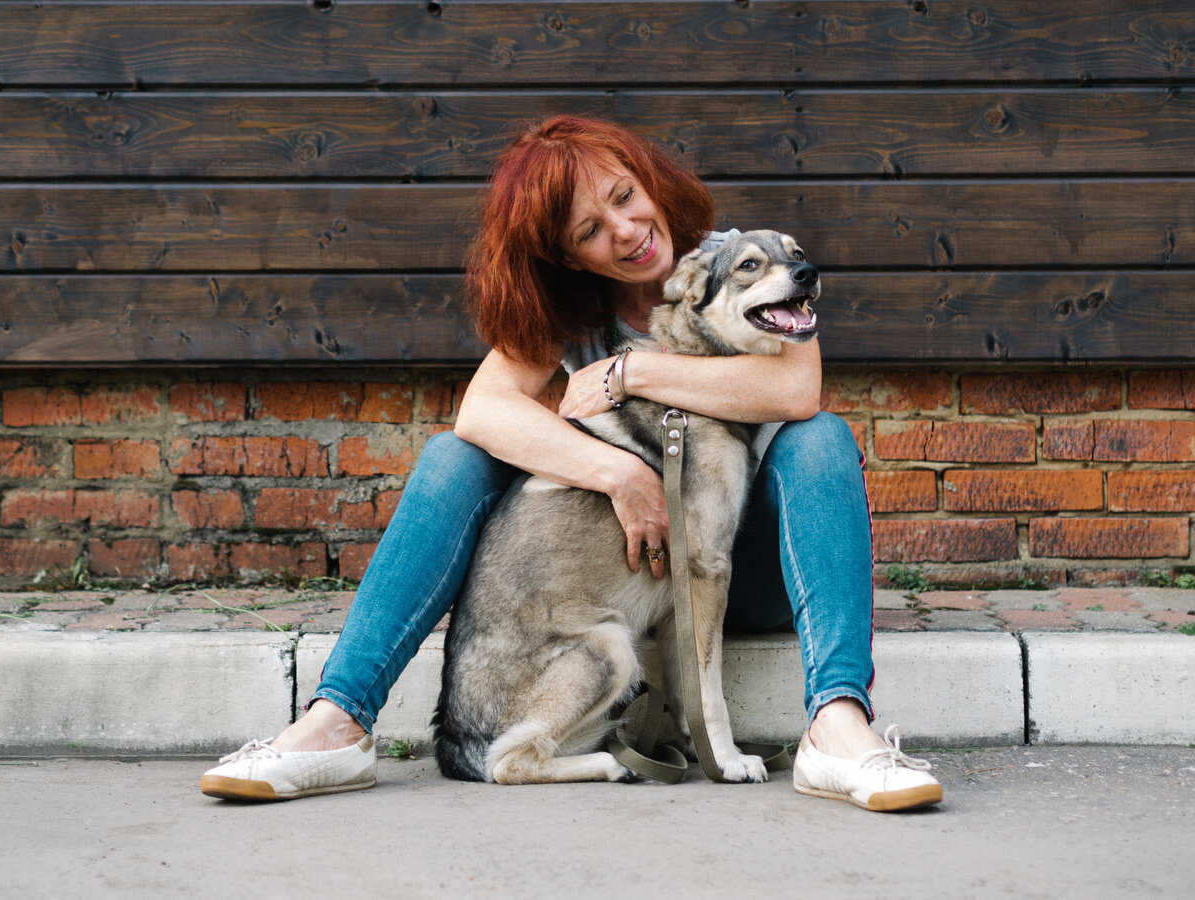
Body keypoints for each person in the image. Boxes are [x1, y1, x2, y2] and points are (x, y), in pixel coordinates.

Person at [201, 115, 942, 812]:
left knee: (821, 438)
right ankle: (337, 721)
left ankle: (839, 726)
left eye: (625, 197)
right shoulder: (571, 309)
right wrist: (618, 473)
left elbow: (795, 385)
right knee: (454, 458)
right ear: (565, 253)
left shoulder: (740, 259)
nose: (625, 231)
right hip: (634, 575)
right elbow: (481, 413)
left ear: (648, 180)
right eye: (591, 229)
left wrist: (635, 375)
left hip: (748, 570)